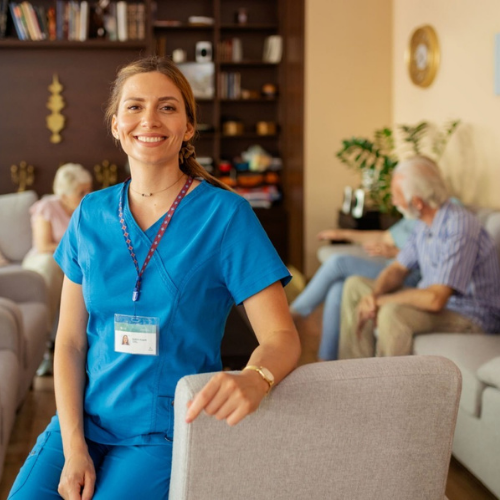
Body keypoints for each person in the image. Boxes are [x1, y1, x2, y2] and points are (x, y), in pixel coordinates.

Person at [8, 56, 301, 500]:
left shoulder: (225, 217)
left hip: (166, 430)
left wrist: (255, 377)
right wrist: (73, 446)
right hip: (83, 421)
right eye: (134, 107)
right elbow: (68, 342)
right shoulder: (90, 213)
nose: (149, 119)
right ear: (115, 124)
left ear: (187, 127)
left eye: (167, 107)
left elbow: (281, 335)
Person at [339, 156, 500, 360]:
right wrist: (375, 294)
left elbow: (435, 299)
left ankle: (386, 389)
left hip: (473, 315)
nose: (394, 201)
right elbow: (397, 269)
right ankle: (352, 376)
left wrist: (382, 301)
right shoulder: (423, 224)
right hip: (439, 301)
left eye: (396, 195)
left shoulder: (460, 227)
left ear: (417, 202)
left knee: (392, 313)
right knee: (355, 287)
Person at [291, 219, 420, 361]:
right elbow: (384, 237)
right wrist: (342, 234)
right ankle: (326, 360)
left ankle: (294, 314)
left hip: (407, 277)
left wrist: (396, 253)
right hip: (390, 269)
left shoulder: (433, 221)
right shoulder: (412, 219)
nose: (394, 200)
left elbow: (428, 261)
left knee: (338, 263)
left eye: (397, 195)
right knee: (337, 288)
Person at [22, 163, 92, 376]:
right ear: (64, 193)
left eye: (88, 189)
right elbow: (43, 245)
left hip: (74, 265)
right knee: (51, 266)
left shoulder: (88, 209)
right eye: (81, 192)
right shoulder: (47, 206)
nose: (87, 195)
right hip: (46, 263)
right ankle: (43, 350)